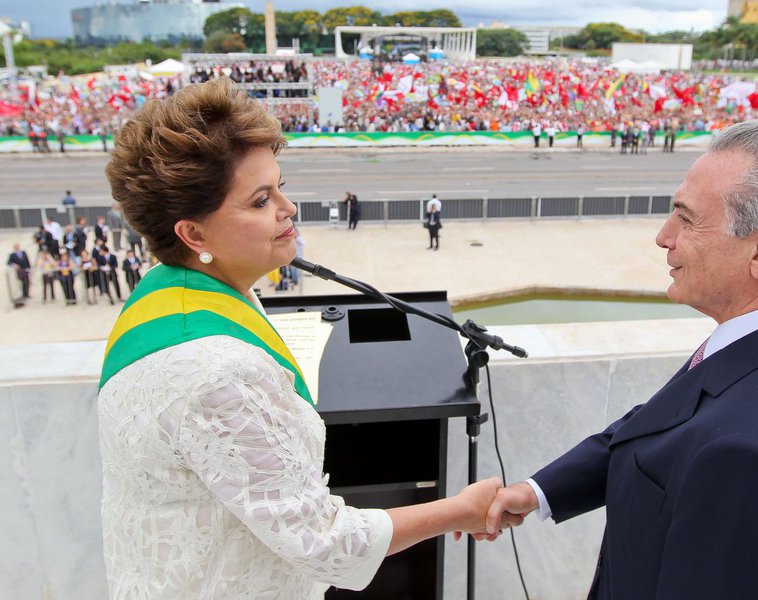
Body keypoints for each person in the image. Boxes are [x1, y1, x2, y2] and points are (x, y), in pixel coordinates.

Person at [99, 77, 507, 599]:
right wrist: (463, 509)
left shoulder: (172, 292)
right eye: (260, 200)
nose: (288, 209)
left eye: (280, 187)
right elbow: (323, 542)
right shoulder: (214, 372)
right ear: (194, 235)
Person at [484, 119, 758, 600]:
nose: (664, 236)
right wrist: (541, 492)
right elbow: (666, 424)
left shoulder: (750, 458)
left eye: (686, 219)